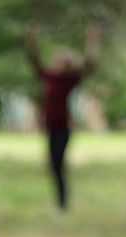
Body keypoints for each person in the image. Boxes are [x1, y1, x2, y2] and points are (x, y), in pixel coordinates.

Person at [25, 21, 101, 213]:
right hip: (49, 127)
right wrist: (32, 36)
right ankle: (59, 202)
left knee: (58, 165)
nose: (59, 63)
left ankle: (62, 204)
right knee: (52, 165)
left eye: (63, 62)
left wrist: (93, 40)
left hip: (63, 128)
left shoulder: (69, 80)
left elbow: (90, 64)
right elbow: (32, 58)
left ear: (67, 65)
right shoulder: (49, 77)